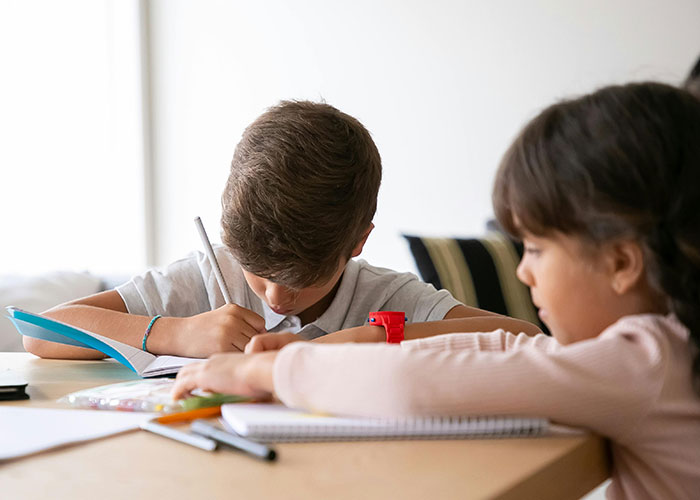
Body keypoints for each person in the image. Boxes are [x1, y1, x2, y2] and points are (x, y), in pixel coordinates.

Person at [173, 83, 700, 499]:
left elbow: (413, 387)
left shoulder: (651, 359)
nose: (523, 273)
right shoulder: (668, 351)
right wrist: (333, 347)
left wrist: (264, 370)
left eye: (535, 249)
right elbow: (510, 347)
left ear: (622, 262)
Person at [24, 100, 540, 360]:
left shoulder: (385, 297)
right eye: (259, 273)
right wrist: (176, 333)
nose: (275, 296)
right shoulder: (207, 278)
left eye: (298, 279)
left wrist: (376, 339)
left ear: (357, 242)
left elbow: (526, 337)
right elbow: (42, 333)